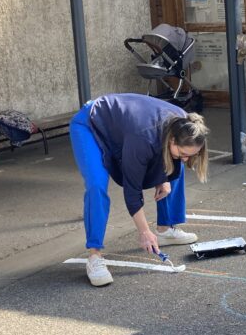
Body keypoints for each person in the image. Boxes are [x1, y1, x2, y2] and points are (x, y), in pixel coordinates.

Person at [69, 93, 209, 287]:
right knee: (96, 184)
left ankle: (165, 229)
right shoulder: (142, 138)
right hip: (89, 124)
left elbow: (167, 154)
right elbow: (132, 190)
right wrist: (144, 231)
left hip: (124, 127)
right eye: (184, 153)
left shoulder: (186, 125)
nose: (186, 158)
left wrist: (164, 178)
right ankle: (94, 256)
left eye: (191, 155)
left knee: (176, 167)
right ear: (172, 141)